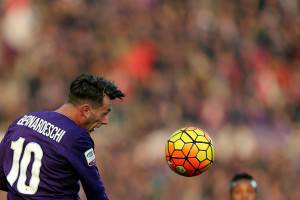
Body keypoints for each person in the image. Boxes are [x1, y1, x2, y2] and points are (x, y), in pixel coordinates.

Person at [0, 73, 125, 199]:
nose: (105, 121)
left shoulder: (22, 121)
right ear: (86, 110)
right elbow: (95, 192)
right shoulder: (77, 137)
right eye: (104, 113)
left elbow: (1, 175)